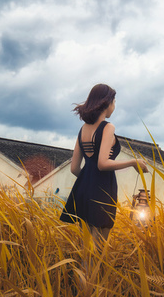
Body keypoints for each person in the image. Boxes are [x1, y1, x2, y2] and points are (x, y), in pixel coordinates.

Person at [60, 83, 149, 246]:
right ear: (107, 102)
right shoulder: (108, 127)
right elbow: (102, 164)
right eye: (114, 102)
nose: (114, 106)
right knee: (100, 247)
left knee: (86, 247)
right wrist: (133, 162)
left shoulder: (83, 129)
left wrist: (89, 180)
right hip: (102, 190)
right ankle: (94, 273)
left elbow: (74, 168)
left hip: (83, 189)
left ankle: (85, 272)